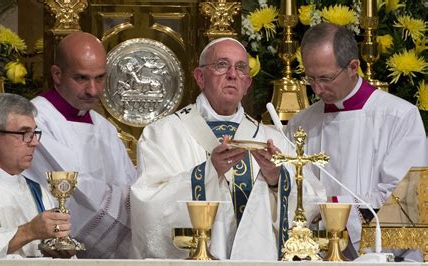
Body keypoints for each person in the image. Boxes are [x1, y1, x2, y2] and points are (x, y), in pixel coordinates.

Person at [130, 37, 326, 260]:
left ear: (247, 84)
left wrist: (276, 180)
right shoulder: (163, 134)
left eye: (241, 68)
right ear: (200, 77)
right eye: (222, 65)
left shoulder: (272, 139)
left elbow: (313, 204)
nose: (232, 74)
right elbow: (147, 206)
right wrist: (207, 173)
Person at [286, 22, 427, 258]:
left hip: (379, 256)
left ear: (353, 67)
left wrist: (334, 208)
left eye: (325, 78)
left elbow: (405, 199)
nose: (317, 89)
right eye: (310, 78)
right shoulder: (302, 123)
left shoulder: (399, 117)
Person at [24, 32, 137, 259]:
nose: (93, 90)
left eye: (100, 78)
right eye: (81, 78)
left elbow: (129, 183)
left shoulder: (103, 126)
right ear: (57, 74)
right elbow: (75, 188)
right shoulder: (34, 119)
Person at [0, 93, 71, 258]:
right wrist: (29, 231)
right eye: (24, 133)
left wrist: (61, 252)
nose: (35, 142)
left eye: (34, 133)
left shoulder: (39, 192)